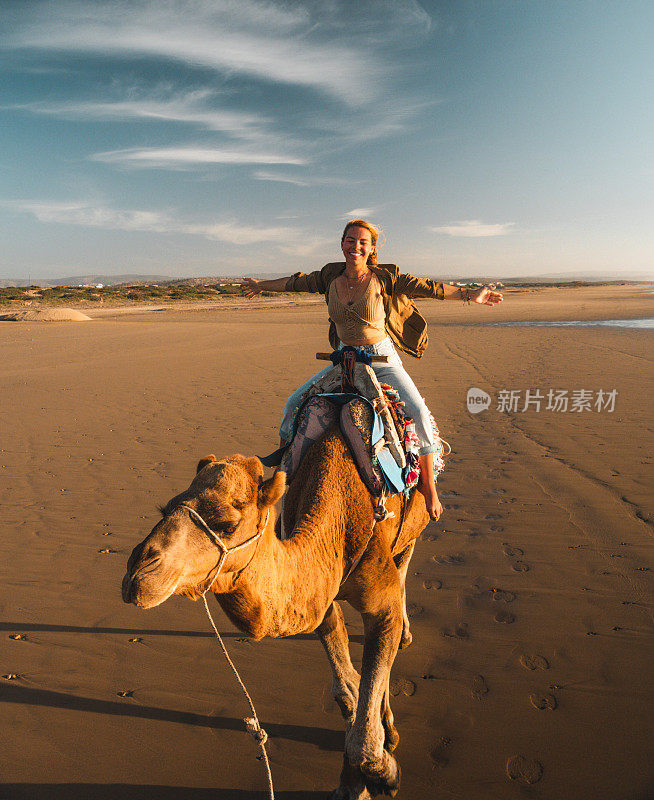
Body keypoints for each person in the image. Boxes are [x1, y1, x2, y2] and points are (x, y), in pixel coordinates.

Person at [242, 219, 503, 520]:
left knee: (417, 412)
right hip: (344, 360)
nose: (356, 246)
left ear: (372, 248)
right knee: (293, 403)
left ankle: (429, 487)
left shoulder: (385, 278)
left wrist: (471, 295)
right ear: (342, 243)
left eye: (363, 242)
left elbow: (429, 288)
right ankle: (281, 476)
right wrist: (261, 286)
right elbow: (294, 282)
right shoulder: (329, 276)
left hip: (381, 360)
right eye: (350, 240)